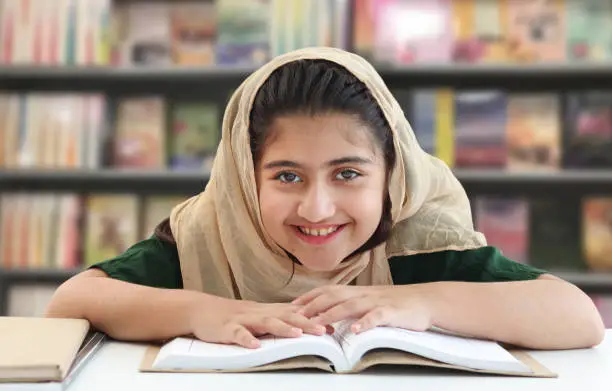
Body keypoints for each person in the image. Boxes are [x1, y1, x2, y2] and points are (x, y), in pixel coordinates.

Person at [46, 47, 604, 350]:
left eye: (348, 174)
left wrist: (426, 302)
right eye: (286, 177)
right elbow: (71, 301)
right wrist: (208, 311)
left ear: (391, 175)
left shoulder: (417, 239)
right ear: (246, 178)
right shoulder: (211, 232)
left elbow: (577, 317)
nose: (317, 209)